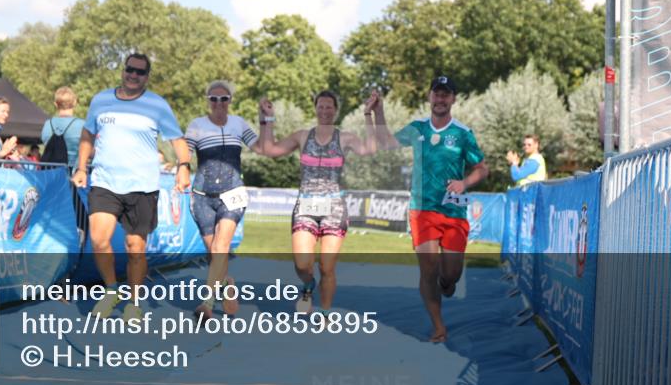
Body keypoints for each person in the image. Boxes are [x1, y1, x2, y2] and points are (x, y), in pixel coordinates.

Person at [71, 53, 191, 322]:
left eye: (140, 72)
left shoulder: (157, 105)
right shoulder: (101, 100)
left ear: (147, 77)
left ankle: (134, 301)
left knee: (135, 247)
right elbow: (87, 135)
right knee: (99, 240)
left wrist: (184, 166)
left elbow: (177, 140)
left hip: (142, 186)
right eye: (129, 70)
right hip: (104, 182)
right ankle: (111, 290)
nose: (133, 75)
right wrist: (81, 167)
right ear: (123, 71)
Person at [376, 75, 489, 343]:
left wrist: (464, 182)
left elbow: (482, 168)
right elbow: (386, 142)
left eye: (445, 94)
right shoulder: (417, 129)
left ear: (453, 99)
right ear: (429, 97)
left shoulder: (463, 133)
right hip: (422, 209)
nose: (440, 99)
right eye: (436, 94)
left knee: (450, 274)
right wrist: (378, 110)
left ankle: (446, 283)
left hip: (453, 212)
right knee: (428, 268)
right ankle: (438, 325)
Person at [259, 89, 380, 315]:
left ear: (336, 110)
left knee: (327, 266)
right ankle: (307, 284)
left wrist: (367, 115)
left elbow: (371, 149)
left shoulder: (345, 138)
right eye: (321, 106)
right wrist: (267, 119)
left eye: (329, 107)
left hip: (334, 207)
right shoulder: (303, 136)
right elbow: (270, 150)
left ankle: (324, 312)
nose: (325, 111)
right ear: (315, 109)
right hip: (305, 205)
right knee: (302, 264)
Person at [184, 80, 266, 319]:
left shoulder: (239, 124)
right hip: (202, 197)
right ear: (208, 101)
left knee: (221, 247)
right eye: (214, 99)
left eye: (224, 99)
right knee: (214, 254)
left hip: (233, 193)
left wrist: (264, 120)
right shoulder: (196, 125)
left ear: (230, 101)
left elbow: (260, 147)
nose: (219, 103)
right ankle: (227, 282)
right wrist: (179, 167)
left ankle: (207, 304)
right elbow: (186, 153)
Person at [41, 86, 85, 167]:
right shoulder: (82, 125)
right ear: (75, 102)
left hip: (50, 173)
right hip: (73, 173)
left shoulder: (47, 124)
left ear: (55, 104)